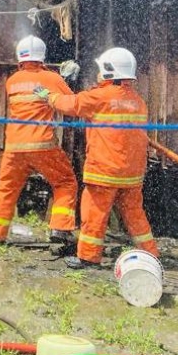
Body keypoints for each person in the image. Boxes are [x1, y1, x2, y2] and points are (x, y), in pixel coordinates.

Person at [36, 47, 159, 269]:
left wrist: (47, 96)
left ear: (110, 71)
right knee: (135, 215)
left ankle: (88, 257)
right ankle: (151, 254)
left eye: (100, 70)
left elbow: (70, 105)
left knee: (94, 214)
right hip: (132, 174)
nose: (98, 74)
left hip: (104, 172)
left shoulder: (99, 96)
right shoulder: (138, 101)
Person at [0, 36, 79, 246]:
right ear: (42, 56)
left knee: (6, 188)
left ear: (20, 56)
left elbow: (34, 90)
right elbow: (72, 105)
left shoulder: (12, 81)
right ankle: (60, 230)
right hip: (42, 145)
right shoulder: (51, 78)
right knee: (65, 182)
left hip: (14, 146)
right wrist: (66, 80)